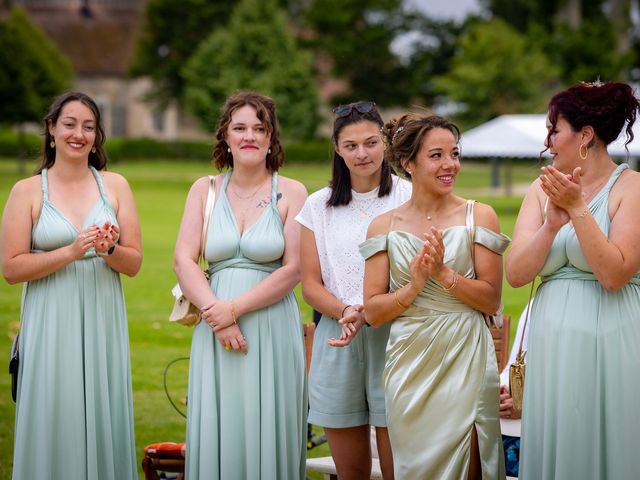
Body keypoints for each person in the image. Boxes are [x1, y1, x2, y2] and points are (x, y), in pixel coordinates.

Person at [1, 92, 142, 479]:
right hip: (50, 319)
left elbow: (133, 264)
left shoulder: (115, 186)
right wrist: (72, 250)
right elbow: (11, 269)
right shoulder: (26, 192)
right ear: (51, 129)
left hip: (101, 316)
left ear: (97, 137)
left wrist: (108, 247)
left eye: (89, 127)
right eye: (69, 124)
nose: (78, 134)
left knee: (100, 408)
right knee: (53, 410)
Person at [361, 113, 509, 479]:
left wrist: (443, 274)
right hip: (408, 362)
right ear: (408, 163)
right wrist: (412, 287)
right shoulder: (384, 227)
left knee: (471, 461)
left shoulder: (480, 216)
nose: (450, 165)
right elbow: (373, 312)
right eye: (437, 155)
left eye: (454, 154)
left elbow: (492, 300)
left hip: (466, 355)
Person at [505, 80, 640, 479]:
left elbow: (615, 274)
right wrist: (550, 225)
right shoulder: (540, 188)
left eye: (554, 129)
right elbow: (515, 275)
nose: (548, 141)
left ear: (585, 135)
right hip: (551, 345)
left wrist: (578, 208)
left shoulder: (631, 188)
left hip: (610, 339)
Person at [173, 91, 308, 479]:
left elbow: (293, 269)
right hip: (213, 328)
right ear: (226, 137)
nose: (249, 136)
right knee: (220, 422)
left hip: (270, 329)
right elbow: (183, 260)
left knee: (268, 421)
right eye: (240, 128)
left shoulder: (292, 192)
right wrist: (220, 316)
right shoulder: (205, 190)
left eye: (259, 128)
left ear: (271, 139)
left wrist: (235, 309)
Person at [296, 101, 412, 479]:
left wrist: (374, 310)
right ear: (336, 149)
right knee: (351, 473)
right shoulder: (318, 205)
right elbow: (310, 285)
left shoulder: (409, 197)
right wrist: (347, 311)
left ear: (385, 143)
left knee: (400, 467)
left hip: (395, 335)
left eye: (371, 142)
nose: (362, 154)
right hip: (337, 335)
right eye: (351, 146)